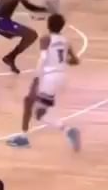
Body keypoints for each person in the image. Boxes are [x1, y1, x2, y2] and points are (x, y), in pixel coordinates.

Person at [7, 14, 81, 149]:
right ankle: (68, 130)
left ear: (48, 25)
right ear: (62, 26)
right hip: (62, 77)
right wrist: (61, 61)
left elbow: (43, 58)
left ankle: (23, 138)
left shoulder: (46, 39)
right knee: (40, 113)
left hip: (49, 77)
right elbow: (76, 61)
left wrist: (36, 77)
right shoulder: (65, 41)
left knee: (28, 102)